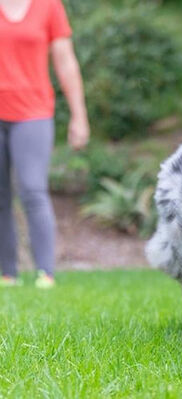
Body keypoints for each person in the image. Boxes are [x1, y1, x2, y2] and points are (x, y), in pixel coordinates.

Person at [0, 0, 89, 288]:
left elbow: (65, 61)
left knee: (32, 190)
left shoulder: (49, 6)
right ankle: (7, 273)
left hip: (33, 112)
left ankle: (45, 273)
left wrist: (79, 116)